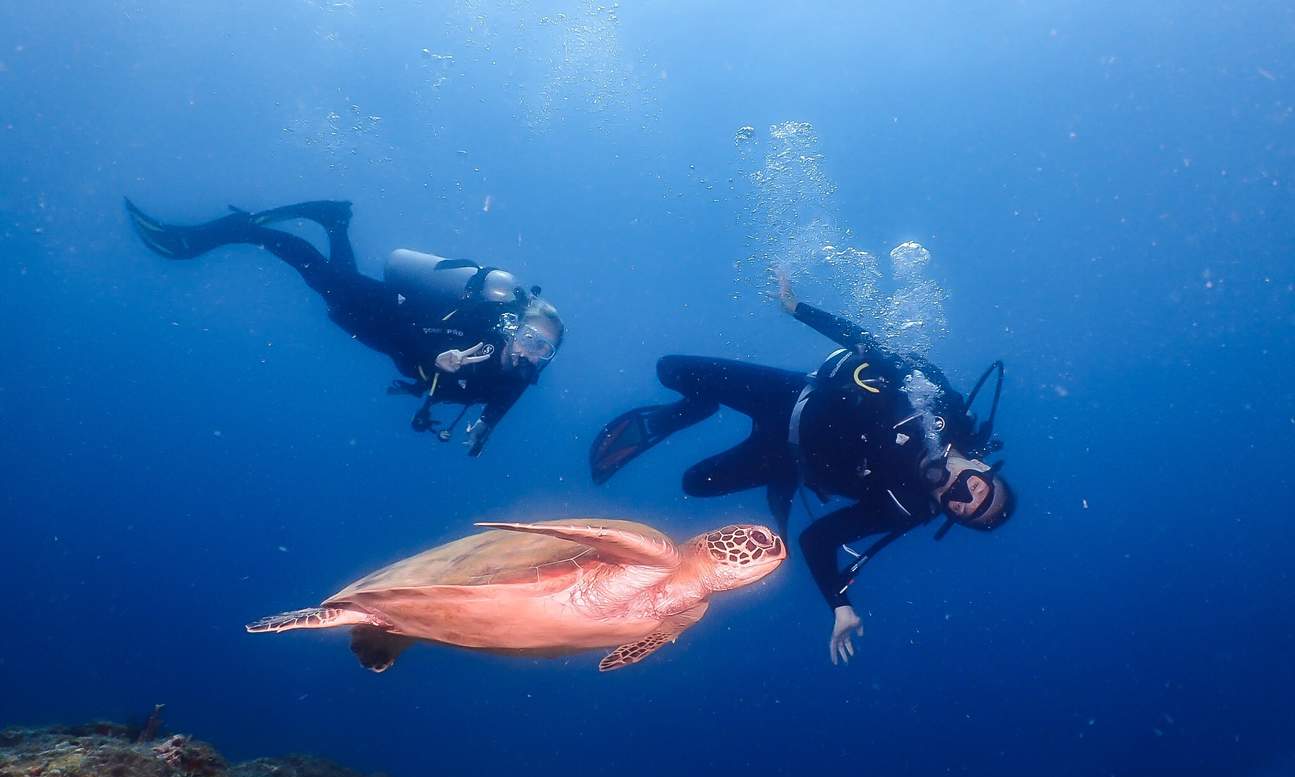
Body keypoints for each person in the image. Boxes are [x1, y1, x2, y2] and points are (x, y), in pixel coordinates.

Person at [590, 273, 1014, 664]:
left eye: (962, 510)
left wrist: (840, 605)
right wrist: (797, 308)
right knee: (671, 369)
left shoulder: (904, 508)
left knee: (695, 483)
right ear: (980, 464)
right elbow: (869, 346)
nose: (956, 495)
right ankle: (690, 410)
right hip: (792, 398)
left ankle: (770, 472)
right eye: (975, 488)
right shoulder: (938, 405)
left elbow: (817, 539)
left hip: (786, 460)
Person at [125, 199, 563, 456]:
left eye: (543, 349)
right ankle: (218, 235)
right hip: (390, 313)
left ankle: (335, 219)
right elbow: (420, 337)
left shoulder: (519, 376)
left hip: (378, 334)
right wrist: (439, 357)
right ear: (513, 329)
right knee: (314, 272)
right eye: (529, 339)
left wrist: (486, 428)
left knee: (334, 285)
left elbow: (503, 397)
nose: (529, 353)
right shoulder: (481, 331)